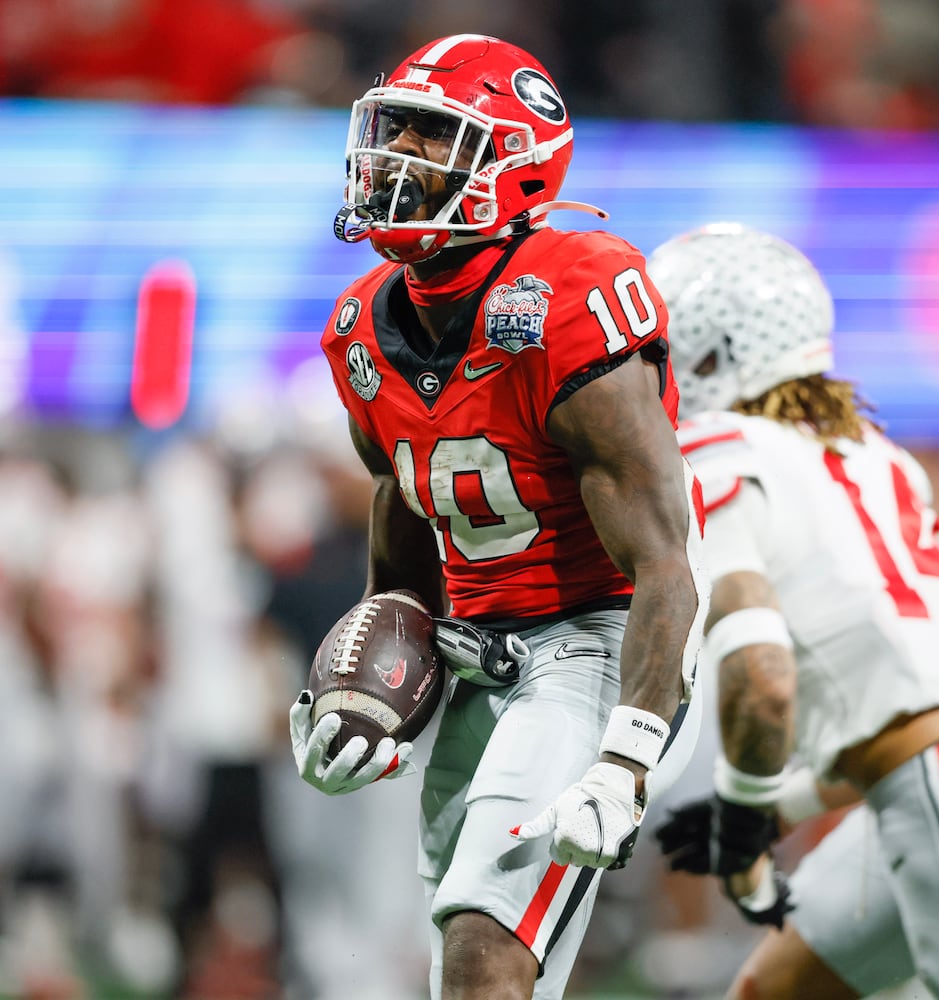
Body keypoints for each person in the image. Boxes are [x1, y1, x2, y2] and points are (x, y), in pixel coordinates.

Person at [286, 34, 711, 1000]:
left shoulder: (567, 293)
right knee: (464, 963)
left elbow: (663, 563)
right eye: (390, 130)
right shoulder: (361, 326)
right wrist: (370, 676)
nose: (394, 157)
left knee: (485, 945)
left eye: (431, 137)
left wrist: (627, 755)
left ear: (511, 166)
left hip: (595, 642)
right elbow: (405, 513)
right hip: (479, 653)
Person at [646, 222, 939, 999]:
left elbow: (765, 678)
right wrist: (780, 803)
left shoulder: (717, 452)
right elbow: (892, 703)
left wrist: (744, 809)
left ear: (710, 352)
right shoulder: (871, 453)